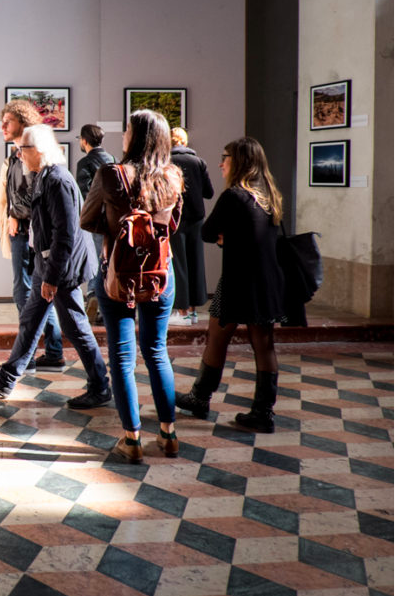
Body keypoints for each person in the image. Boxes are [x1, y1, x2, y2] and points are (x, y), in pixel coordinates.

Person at [0, 125, 110, 408]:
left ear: (39, 150)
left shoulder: (58, 180)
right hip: (46, 264)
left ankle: (100, 385)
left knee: (75, 326)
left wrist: (52, 276)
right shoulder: (44, 176)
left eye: (23, 149)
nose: (19, 154)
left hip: (61, 268)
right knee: (31, 319)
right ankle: (7, 377)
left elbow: (65, 234)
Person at [80, 109, 183, 463]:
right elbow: (173, 227)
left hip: (118, 275)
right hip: (160, 274)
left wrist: (118, 229)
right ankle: (168, 435)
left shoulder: (111, 174)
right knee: (157, 351)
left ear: (136, 137)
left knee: (123, 358)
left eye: (126, 130)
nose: (122, 135)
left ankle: (132, 440)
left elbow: (86, 219)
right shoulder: (173, 176)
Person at [175, 136, 286, 433]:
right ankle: (264, 412)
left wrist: (227, 237)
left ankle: (200, 397)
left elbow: (208, 232)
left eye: (226, 157)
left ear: (239, 161)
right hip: (267, 282)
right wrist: (233, 237)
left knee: (217, 338)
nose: (221, 163)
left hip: (238, 280)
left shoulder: (234, 196)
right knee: (263, 344)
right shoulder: (268, 194)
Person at [0, 101, 64, 371]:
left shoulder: (31, 157)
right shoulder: (14, 156)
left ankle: (30, 355)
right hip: (20, 231)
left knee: (26, 294)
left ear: (22, 123)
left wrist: (16, 214)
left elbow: (34, 194)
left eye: (8, 122)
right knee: (30, 294)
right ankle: (49, 352)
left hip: (28, 232)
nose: (3, 127)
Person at [167, 127, 214, 326]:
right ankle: (194, 311)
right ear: (185, 142)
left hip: (175, 219)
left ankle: (183, 311)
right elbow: (209, 193)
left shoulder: (167, 162)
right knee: (196, 262)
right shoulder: (199, 162)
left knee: (179, 264)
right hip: (196, 219)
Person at [75, 123, 115, 324]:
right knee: (108, 259)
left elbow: (85, 194)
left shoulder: (84, 163)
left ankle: (93, 295)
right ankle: (105, 300)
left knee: (95, 259)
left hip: (95, 220)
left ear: (84, 140)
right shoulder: (112, 160)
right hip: (113, 219)